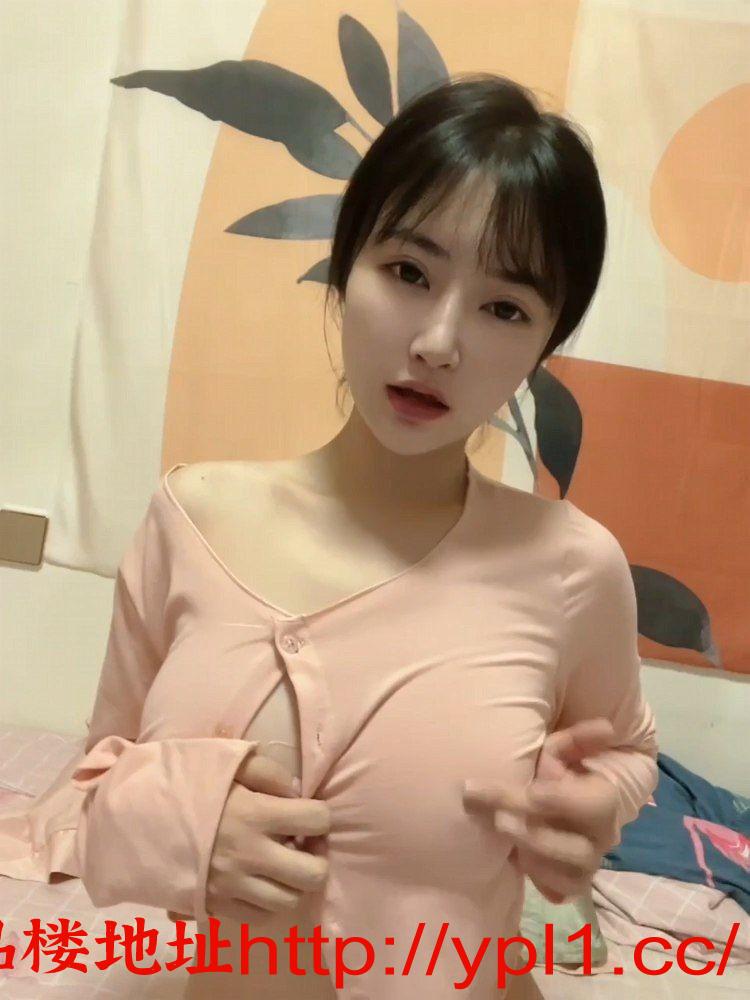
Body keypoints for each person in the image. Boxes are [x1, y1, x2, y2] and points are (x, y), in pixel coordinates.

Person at [69, 73, 658, 998]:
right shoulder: (193, 517)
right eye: (410, 272)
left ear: (543, 345)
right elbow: (86, 793)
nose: (438, 342)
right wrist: (183, 823)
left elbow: (625, 751)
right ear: (347, 268)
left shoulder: (571, 565)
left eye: (505, 308)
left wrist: (595, 806)